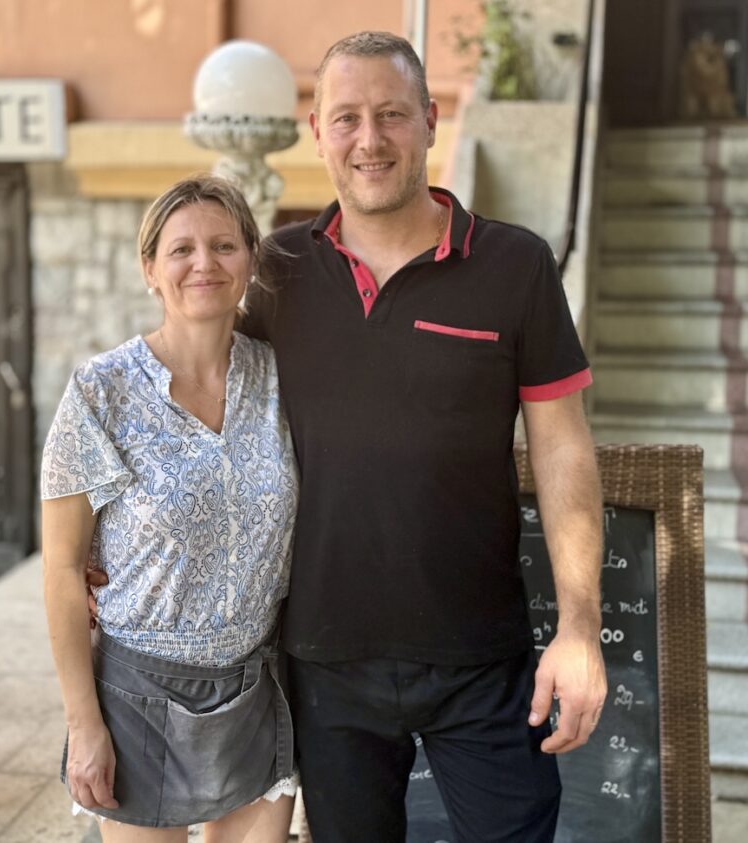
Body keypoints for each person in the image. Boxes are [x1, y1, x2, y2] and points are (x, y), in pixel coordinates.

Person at [242, 31, 608, 842]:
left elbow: (562, 449)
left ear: (432, 120)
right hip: (324, 658)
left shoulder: (516, 266)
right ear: (316, 131)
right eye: (346, 119)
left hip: (482, 656)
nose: (368, 140)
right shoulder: (275, 273)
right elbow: (206, 420)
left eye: (390, 114)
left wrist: (580, 628)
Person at [41, 175, 299, 842]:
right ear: (150, 268)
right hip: (137, 701)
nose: (204, 264)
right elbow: (64, 568)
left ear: (249, 261)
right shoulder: (101, 393)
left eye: (223, 245)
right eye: (181, 249)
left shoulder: (284, 380)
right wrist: (83, 724)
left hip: (254, 689)